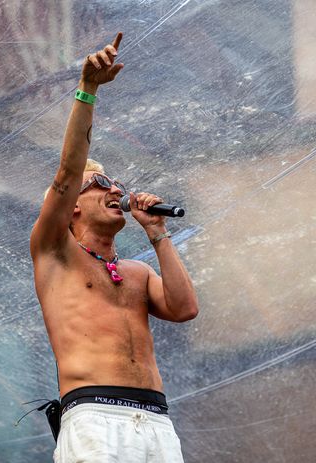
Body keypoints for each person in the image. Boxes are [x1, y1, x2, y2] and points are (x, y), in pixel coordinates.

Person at [30, 32, 198, 463]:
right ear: (71, 210)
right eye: (101, 183)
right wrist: (88, 89)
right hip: (95, 417)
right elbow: (68, 172)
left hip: (156, 421)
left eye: (117, 184)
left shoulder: (138, 273)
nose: (115, 189)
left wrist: (158, 233)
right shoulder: (55, 252)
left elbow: (184, 309)